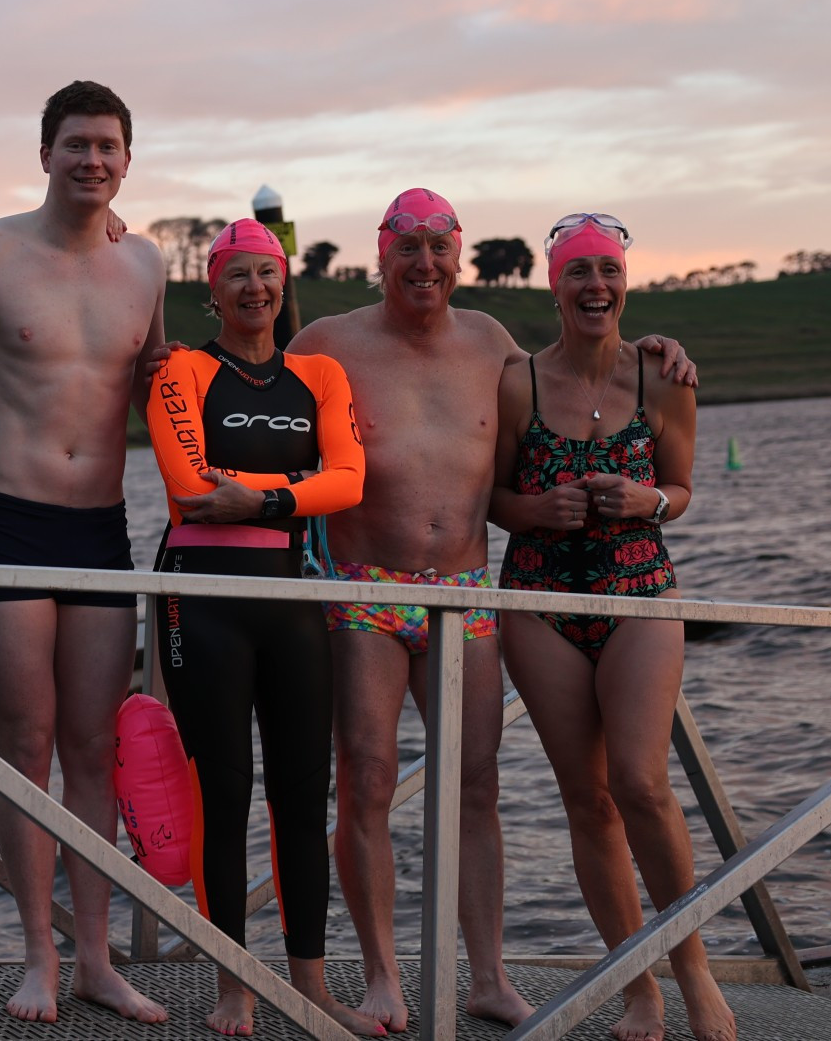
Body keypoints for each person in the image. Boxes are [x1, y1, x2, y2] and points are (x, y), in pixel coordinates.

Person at [285, 187, 695, 1034]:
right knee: (365, 779)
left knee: (476, 784)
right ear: (382, 256)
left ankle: (490, 976)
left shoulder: (495, 346)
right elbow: (247, 392)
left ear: (460, 257)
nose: (425, 264)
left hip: (472, 593)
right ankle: (383, 976)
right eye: (409, 249)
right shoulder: (325, 342)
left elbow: (576, 369)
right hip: (368, 588)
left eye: (441, 248)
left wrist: (659, 345)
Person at [0, 79, 169, 1025]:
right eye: (77, 144)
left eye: (108, 146)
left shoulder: (142, 264)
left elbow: (170, 391)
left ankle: (97, 957)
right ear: (45, 152)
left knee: (93, 750)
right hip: (2, 517)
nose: (93, 160)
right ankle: (38, 955)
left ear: (127, 160)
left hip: (99, 526)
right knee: (24, 743)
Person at [490, 213, 733, 1041]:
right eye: (577, 271)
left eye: (607, 269)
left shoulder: (667, 374)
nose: (595, 285)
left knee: (641, 781)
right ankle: (639, 986)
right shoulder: (517, 380)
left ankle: (693, 970)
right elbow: (491, 497)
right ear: (552, 285)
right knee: (588, 800)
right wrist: (536, 508)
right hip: (539, 598)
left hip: (639, 590)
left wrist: (648, 502)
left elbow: (685, 489)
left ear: (626, 279)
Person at [145, 220, 380, 1039]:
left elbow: (349, 480)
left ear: (284, 286)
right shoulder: (182, 368)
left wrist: (261, 499)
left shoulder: (319, 374)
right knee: (223, 792)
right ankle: (235, 987)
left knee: (298, 794)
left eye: (267, 274)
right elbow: (185, 485)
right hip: (200, 600)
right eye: (237, 275)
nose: (255, 288)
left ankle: (310, 985)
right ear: (211, 289)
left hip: (286, 596)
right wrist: (295, 483)